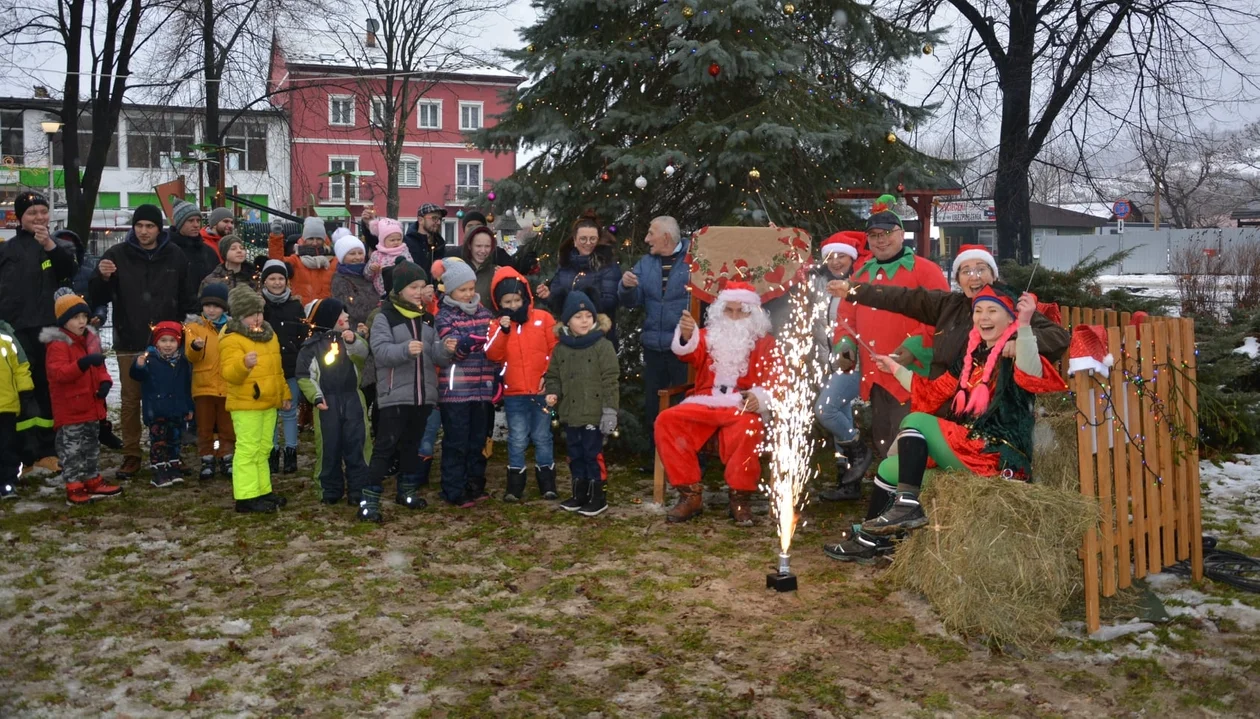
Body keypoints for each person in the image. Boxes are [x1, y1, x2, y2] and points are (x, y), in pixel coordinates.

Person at [823, 287, 1067, 561]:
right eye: (978, 311)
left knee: (914, 420)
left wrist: (1024, 325)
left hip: (997, 456)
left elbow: (1033, 371)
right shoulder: (970, 359)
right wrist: (894, 368)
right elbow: (932, 393)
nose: (983, 317)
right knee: (890, 468)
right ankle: (872, 542)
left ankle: (907, 506)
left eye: (992, 310)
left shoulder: (1014, 354)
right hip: (966, 452)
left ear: (1009, 318)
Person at [827, 243, 1071, 381]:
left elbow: (1059, 338)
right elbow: (901, 298)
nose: (974, 277)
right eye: (966, 271)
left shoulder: (1012, 307)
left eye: (980, 269)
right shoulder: (947, 305)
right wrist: (853, 290)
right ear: (957, 279)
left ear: (994, 275)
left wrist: (1020, 341)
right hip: (941, 400)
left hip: (990, 411)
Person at [832, 195, 949, 465]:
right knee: (883, 437)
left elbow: (942, 316)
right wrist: (845, 347)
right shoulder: (860, 275)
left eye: (886, 233)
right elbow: (845, 318)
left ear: (900, 234)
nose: (880, 239)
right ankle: (892, 493)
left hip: (914, 377)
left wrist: (912, 348)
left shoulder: (925, 271)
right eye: (873, 235)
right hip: (875, 378)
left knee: (909, 438)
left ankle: (910, 498)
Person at [90, 203, 198, 479]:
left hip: (168, 342)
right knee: (130, 401)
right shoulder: (117, 254)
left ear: (158, 228)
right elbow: (98, 296)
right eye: (139, 226)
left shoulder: (174, 255)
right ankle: (131, 453)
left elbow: (186, 295)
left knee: (170, 399)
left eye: (149, 226)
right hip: (130, 338)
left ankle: (170, 452)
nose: (143, 231)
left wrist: (186, 327)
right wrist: (102, 277)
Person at [656, 282, 776, 527]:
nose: (733, 317)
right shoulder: (709, 335)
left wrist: (759, 397)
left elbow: (777, 379)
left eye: (740, 311)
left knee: (747, 429)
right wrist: (687, 335)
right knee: (667, 420)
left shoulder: (765, 343)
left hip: (741, 404)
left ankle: (739, 497)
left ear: (752, 314)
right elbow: (687, 353)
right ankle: (690, 495)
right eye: (728, 311)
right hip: (705, 401)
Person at [365, 261, 453, 520]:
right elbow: (379, 351)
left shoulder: (428, 318)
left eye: (422, 286)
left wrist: (445, 349)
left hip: (423, 395)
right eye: (413, 287)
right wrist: (404, 350)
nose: (419, 292)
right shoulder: (385, 316)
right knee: (385, 447)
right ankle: (369, 499)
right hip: (395, 395)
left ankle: (406, 491)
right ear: (400, 289)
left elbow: (436, 356)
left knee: (412, 446)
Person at [0, 191, 78, 472]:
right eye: (32, 213)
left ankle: (47, 450)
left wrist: (48, 245)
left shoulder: (59, 246)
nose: (38, 218)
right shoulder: (6, 251)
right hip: (14, 333)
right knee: (21, 392)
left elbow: (69, 271)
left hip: (48, 330)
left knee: (47, 388)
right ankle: (24, 454)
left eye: (43, 212)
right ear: (20, 218)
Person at [618, 216, 690, 471]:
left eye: (651, 234)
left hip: (684, 348)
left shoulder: (694, 260)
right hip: (653, 347)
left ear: (666, 238)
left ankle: (686, 460)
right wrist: (626, 286)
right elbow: (631, 299)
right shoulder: (646, 263)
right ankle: (655, 458)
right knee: (653, 405)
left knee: (684, 406)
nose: (646, 239)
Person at [483, 266, 558, 502]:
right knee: (517, 437)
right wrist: (504, 331)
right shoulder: (496, 326)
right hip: (514, 392)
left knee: (542, 436)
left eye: (517, 299)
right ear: (499, 303)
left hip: (542, 391)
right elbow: (492, 354)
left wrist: (550, 376)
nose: (514, 305)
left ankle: (547, 483)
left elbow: (555, 349)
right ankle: (515, 485)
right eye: (508, 301)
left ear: (525, 297)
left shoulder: (543, 318)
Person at [40, 294, 121, 504]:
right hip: (70, 408)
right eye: (76, 317)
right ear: (64, 320)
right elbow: (59, 374)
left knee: (91, 446)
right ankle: (73, 485)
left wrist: (105, 382)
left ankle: (92, 478)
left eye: (84, 316)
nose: (82, 321)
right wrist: (82, 364)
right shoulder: (58, 344)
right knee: (72, 450)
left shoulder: (90, 339)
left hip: (91, 405)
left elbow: (99, 367)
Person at [544, 291, 619, 516]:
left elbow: (611, 379)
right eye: (578, 316)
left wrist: (610, 411)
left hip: (594, 413)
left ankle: (598, 496)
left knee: (591, 453)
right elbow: (553, 376)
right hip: (571, 413)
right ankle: (580, 493)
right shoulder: (561, 348)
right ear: (567, 321)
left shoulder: (602, 346)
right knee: (575, 453)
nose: (584, 320)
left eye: (588, 315)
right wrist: (553, 393)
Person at [219, 285, 290, 514]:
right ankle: (246, 496)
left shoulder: (269, 335)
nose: (257, 318)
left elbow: (277, 370)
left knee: (264, 448)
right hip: (246, 404)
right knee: (248, 449)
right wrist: (243, 365)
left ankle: (262, 490)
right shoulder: (232, 339)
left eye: (259, 312)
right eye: (251, 314)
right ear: (239, 316)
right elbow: (228, 372)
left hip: (268, 402)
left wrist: (284, 393)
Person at [811, 232, 870, 502]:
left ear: (852, 258)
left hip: (851, 361)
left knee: (827, 410)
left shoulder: (860, 285)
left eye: (842, 256)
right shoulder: (818, 282)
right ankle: (848, 482)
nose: (836, 262)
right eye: (831, 256)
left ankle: (860, 450)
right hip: (826, 362)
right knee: (841, 415)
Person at [297, 298, 371, 510]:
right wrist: (316, 397)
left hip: (352, 399)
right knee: (329, 446)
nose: (346, 317)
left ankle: (360, 488)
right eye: (341, 314)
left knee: (357, 444)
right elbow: (304, 376)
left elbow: (362, 355)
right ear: (329, 319)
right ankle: (329, 489)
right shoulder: (311, 347)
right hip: (327, 403)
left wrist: (353, 342)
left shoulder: (350, 339)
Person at [434, 258, 496, 507]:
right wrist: (463, 346)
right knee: (456, 441)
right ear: (450, 291)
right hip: (456, 391)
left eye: (471, 288)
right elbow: (451, 350)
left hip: (482, 389)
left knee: (478, 440)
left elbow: (494, 346)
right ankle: (453, 488)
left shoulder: (485, 313)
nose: (469, 293)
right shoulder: (445, 316)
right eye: (463, 290)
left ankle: (475, 484)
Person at [535, 214, 622, 343]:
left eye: (592, 239)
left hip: (599, 336)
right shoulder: (565, 264)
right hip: (570, 336)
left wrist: (578, 303)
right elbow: (557, 301)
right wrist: (548, 296)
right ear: (575, 241)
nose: (588, 243)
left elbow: (610, 301)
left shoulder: (608, 265)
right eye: (583, 239)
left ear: (598, 240)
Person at [129, 321, 195, 488]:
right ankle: (158, 471)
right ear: (156, 342)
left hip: (177, 409)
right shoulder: (150, 360)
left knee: (175, 440)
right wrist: (139, 365)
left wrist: (189, 407)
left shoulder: (182, 362)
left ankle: (173, 467)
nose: (168, 345)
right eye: (163, 340)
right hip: (156, 410)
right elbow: (137, 375)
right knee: (158, 442)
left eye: (172, 341)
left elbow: (186, 387)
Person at [259, 259, 307, 474]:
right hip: (267, 368)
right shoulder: (260, 306)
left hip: (290, 366)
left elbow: (303, 334)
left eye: (280, 278)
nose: (277, 283)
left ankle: (290, 452)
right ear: (264, 281)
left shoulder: (295, 305)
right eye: (272, 278)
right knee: (270, 413)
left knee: (289, 411)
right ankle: (272, 451)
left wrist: (296, 350)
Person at [185, 283, 235, 481]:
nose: (211, 310)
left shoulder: (232, 327)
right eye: (207, 306)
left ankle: (226, 455)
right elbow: (190, 356)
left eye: (216, 306)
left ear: (223, 307)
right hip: (203, 386)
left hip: (227, 385)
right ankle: (206, 457)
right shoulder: (194, 327)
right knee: (204, 426)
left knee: (227, 426)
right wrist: (195, 348)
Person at [0, 319, 33, 500]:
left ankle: (7, 483)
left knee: (7, 446)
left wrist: (25, 389)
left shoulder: (6, 335)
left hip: (6, 405)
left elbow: (20, 365)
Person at [270, 217, 337, 303]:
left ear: (324, 239)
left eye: (319, 238)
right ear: (304, 239)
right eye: (311, 238)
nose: (315, 243)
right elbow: (276, 263)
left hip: (326, 311)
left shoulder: (334, 261)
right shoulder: (296, 260)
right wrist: (276, 237)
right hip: (301, 311)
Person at [169, 200, 220, 291]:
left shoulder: (209, 252)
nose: (196, 225)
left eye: (198, 220)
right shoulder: (168, 251)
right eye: (191, 221)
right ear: (179, 223)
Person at [364, 217, 413, 299]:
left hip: (402, 291)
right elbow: (367, 275)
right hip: (381, 292)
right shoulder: (377, 255)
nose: (396, 242)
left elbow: (412, 267)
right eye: (392, 240)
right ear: (383, 240)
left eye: (399, 239)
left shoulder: (404, 252)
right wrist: (371, 269)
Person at [404, 203, 448, 275]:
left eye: (440, 219)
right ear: (420, 220)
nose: (439, 222)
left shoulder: (440, 245)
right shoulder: (407, 244)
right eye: (434, 218)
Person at [461, 226, 500, 303]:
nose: (483, 251)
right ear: (469, 246)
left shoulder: (496, 272)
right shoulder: (458, 271)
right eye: (478, 246)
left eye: (487, 246)